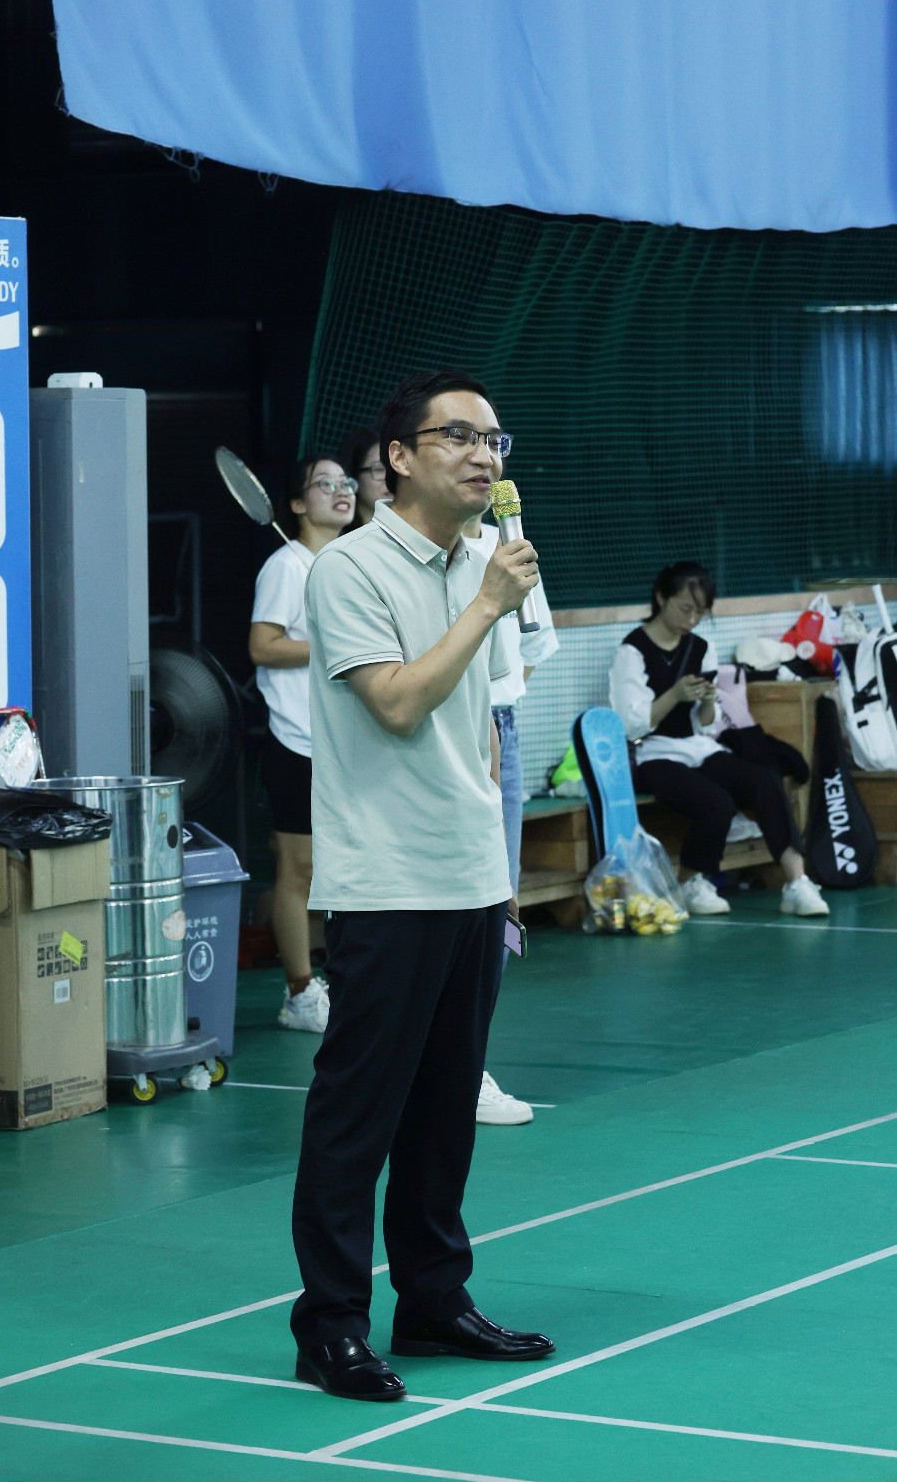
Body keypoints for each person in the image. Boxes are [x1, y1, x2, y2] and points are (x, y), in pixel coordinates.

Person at [291, 370, 556, 1403]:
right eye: (459, 437)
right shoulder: (348, 569)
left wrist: (497, 865)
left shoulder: (482, 559)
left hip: (470, 877)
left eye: (494, 440)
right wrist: (488, 604)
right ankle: (330, 1325)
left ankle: (435, 1301)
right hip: (386, 883)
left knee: (446, 1112)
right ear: (399, 457)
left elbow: (479, 725)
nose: (484, 455)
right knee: (357, 1115)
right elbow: (398, 703)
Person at [609, 561, 829, 918]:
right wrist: (675, 695)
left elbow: (704, 725)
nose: (692, 619)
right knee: (716, 803)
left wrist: (709, 701)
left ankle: (797, 882)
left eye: (700, 612)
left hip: (698, 747)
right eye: (685, 608)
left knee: (766, 781)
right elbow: (630, 725)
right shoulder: (631, 651)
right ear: (661, 598)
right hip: (652, 754)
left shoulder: (700, 647)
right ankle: (689, 883)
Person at [248, 455, 359, 1031]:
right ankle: (298, 992)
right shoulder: (286, 567)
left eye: (347, 482)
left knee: (345, 868)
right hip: (297, 741)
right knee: (300, 869)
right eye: (324, 484)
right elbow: (262, 646)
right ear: (296, 504)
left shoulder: (347, 563)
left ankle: (340, 978)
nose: (341, 491)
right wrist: (332, 645)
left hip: (346, 742)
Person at [463, 507, 558, 1125]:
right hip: (440, 723)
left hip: (500, 725)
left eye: (495, 457)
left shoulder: (512, 545)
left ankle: (466, 1062)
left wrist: (497, 698)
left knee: (500, 897)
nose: (484, 463)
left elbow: (536, 640)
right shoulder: (392, 554)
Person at [339, 427, 393, 527]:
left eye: (395, 468)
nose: (391, 477)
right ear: (354, 477)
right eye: (378, 469)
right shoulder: (336, 533)